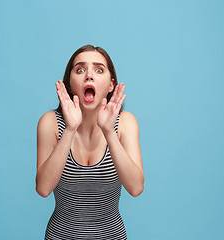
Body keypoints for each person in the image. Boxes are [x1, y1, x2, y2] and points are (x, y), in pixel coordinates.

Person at [36, 44, 144, 239]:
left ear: (111, 84)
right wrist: (69, 129)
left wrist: (109, 132)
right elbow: (43, 188)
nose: (89, 75)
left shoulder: (125, 123)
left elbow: (136, 188)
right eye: (80, 69)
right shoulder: (50, 123)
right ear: (70, 84)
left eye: (98, 69)